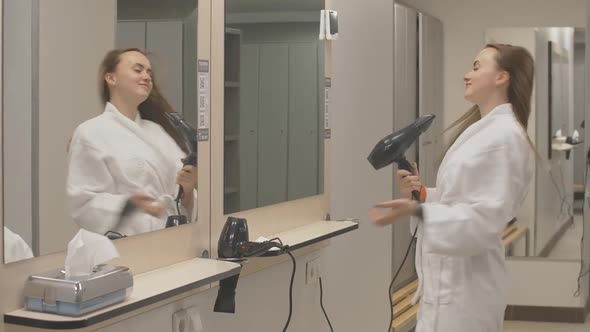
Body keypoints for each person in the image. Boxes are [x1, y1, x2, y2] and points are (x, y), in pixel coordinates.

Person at [371, 44, 535, 331]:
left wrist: (419, 211)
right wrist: (423, 196)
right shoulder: (485, 132)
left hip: (465, 298)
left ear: (501, 77)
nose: (466, 74)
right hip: (449, 292)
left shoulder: (503, 136)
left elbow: (483, 222)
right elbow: (461, 200)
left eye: (476, 66)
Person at [67, 48, 198, 237]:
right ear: (111, 78)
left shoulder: (158, 132)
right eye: (138, 70)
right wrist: (129, 203)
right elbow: (83, 203)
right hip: (124, 246)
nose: (146, 77)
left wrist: (187, 188)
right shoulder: (90, 133)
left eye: (149, 72)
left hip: (169, 238)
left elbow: (179, 196)